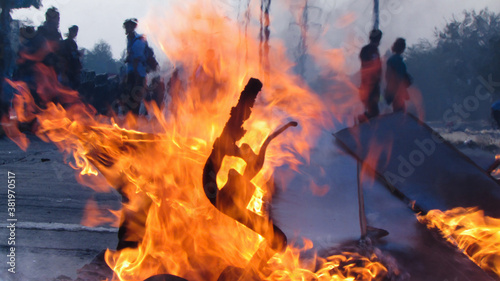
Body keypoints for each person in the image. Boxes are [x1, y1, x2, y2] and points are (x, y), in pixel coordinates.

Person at [122, 18, 148, 115]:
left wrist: (137, 78)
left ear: (133, 27)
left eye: (128, 26)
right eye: (125, 26)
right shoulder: (129, 39)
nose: (126, 28)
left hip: (138, 74)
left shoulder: (138, 41)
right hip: (132, 73)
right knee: (129, 98)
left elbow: (137, 60)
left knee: (135, 100)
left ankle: (134, 121)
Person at [358, 29, 383, 122]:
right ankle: (364, 123)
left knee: (370, 108)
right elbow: (375, 67)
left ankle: (363, 121)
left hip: (364, 84)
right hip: (371, 85)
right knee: (374, 111)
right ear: (379, 39)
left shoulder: (364, 50)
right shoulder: (373, 51)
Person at [385, 38, 412, 112]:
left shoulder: (390, 60)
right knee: (400, 112)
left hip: (392, 91)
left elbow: (387, 77)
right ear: (402, 48)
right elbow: (400, 77)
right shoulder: (399, 61)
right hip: (398, 92)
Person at [59, 25, 82, 90]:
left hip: (73, 69)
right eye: (74, 32)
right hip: (66, 68)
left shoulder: (73, 44)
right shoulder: (64, 43)